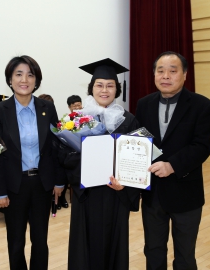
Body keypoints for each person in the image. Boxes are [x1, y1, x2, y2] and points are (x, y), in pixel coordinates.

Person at [136, 51, 210, 269]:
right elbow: (140, 142)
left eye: (173, 71)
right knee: (153, 249)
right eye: (160, 71)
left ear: (185, 74)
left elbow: (202, 147)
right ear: (154, 75)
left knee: (185, 254)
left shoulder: (203, 106)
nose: (166, 76)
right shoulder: (144, 104)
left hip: (185, 193)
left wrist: (172, 165)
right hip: (153, 194)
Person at [62, 58, 141, 270]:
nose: (104, 90)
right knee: (85, 244)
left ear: (117, 89)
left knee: (114, 243)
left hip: (116, 192)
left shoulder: (129, 119)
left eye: (110, 85)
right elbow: (65, 154)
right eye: (99, 85)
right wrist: (86, 170)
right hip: (87, 193)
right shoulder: (76, 119)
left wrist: (125, 183)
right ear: (91, 88)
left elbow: (136, 157)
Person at [0, 55, 64, 270]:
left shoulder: (47, 108)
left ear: (36, 80)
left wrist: (59, 181)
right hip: (13, 187)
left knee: (40, 241)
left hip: (41, 184)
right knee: (16, 242)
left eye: (30, 75)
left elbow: (55, 147)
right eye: (18, 74)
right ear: (10, 79)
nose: (24, 79)